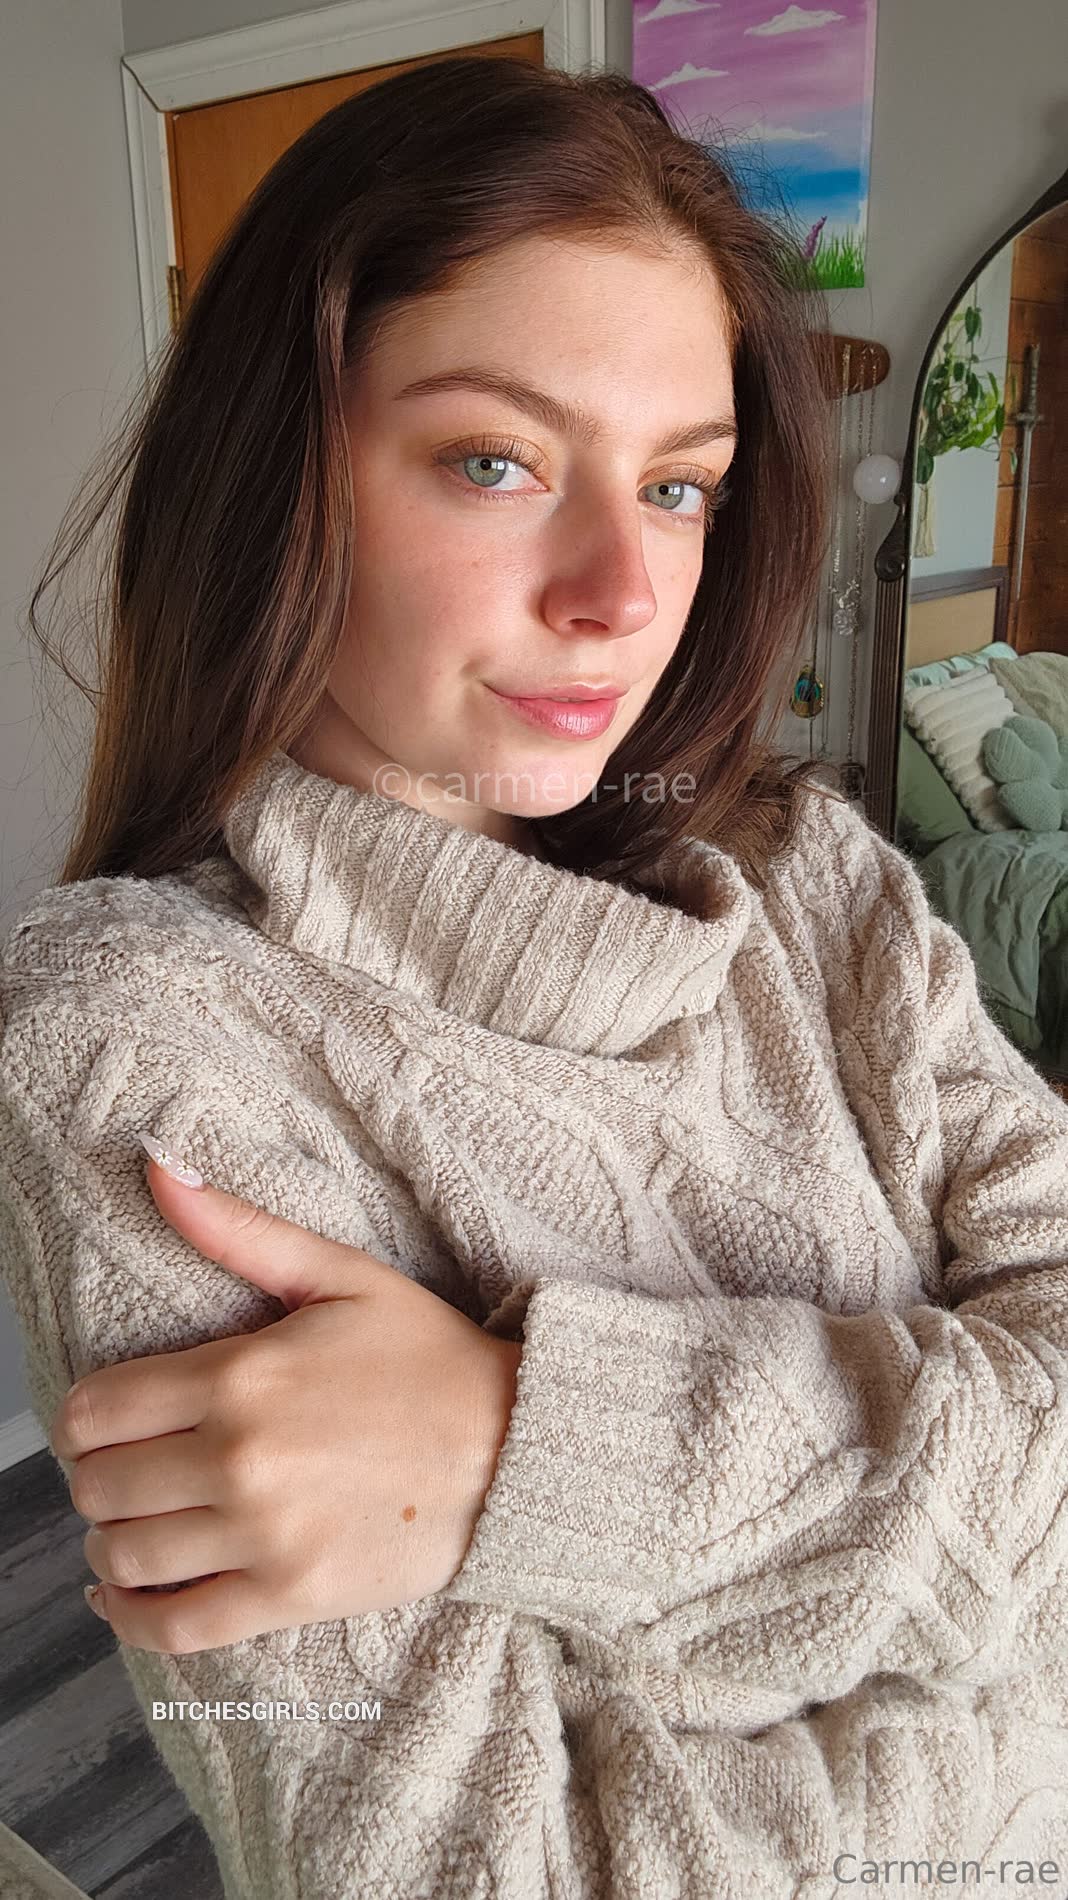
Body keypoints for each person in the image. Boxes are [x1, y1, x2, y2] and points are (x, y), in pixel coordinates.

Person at [2, 52, 1067, 1900]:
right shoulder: (144, 1042)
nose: (619, 593)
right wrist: (999, 1668)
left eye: (678, 485)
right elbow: (470, 1869)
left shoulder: (815, 881)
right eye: (494, 460)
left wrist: (529, 1448)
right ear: (278, 473)